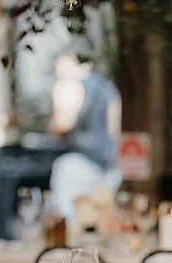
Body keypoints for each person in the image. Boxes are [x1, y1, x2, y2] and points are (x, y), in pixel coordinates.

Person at [44, 54, 123, 221]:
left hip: (79, 167)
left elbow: (62, 125)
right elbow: (114, 132)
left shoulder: (71, 86)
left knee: (70, 219)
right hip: (108, 168)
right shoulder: (108, 88)